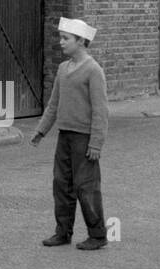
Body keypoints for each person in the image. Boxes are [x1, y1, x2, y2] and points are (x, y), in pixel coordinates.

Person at [31, 16, 108, 251]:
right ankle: (63, 232)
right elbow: (54, 104)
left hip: (84, 138)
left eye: (66, 39)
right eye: (61, 38)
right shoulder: (63, 69)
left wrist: (95, 143)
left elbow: (100, 110)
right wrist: (41, 130)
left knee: (86, 186)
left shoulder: (93, 71)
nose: (61, 43)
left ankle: (97, 234)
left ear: (81, 41)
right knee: (62, 185)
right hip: (65, 136)